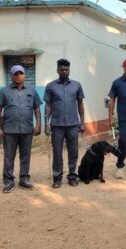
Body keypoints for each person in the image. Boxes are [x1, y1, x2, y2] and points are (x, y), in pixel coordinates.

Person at [0, 65, 42, 193]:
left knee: (25, 156)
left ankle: (24, 179)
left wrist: (38, 125)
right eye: (15, 74)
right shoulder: (4, 91)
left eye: (21, 73)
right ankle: (8, 181)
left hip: (27, 130)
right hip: (9, 130)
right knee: (9, 156)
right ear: (11, 75)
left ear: (24, 75)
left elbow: (37, 109)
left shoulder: (32, 90)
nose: (18, 76)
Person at [43, 59, 85, 188]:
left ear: (69, 70)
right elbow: (48, 105)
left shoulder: (76, 85)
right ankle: (57, 178)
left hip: (73, 124)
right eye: (62, 70)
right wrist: (46, 123)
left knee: (73, 152)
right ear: (57, 70)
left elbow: (80, 104)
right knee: (57, 152)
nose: (64, 72)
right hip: (57, 125)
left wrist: (82, 122)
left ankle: (72, 176)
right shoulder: (51, 86)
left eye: (66, 70)